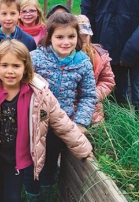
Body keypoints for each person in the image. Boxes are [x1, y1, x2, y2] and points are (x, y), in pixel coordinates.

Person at [0, 40, 93, 202]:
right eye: (4, 65)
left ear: (26, 67)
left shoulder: (39, 94)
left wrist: (83, 147)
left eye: (16, 66)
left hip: (17, 158)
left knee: (12, 197)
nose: (10, 71)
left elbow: (62, 122)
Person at [30, 12, 97, 195]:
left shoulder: (83, 62)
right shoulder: (36, 58)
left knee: (51, 157)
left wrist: (81, 122)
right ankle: (30, 189)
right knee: (31, 156)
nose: (65, 42)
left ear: (78, 37)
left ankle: (46, 190)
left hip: (61, 121)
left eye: (71, 37)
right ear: (49, 37)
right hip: (34, 119)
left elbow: (88, 95)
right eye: (59, 37)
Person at [77, 15, 115, 125]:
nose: (83, 38)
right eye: (79, 35)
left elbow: (107, 80)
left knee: (96, 137)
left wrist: (93, 95)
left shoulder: (99, 55)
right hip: (69, 106)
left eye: (85, 35)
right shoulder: (65, 54)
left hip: (93, 106)